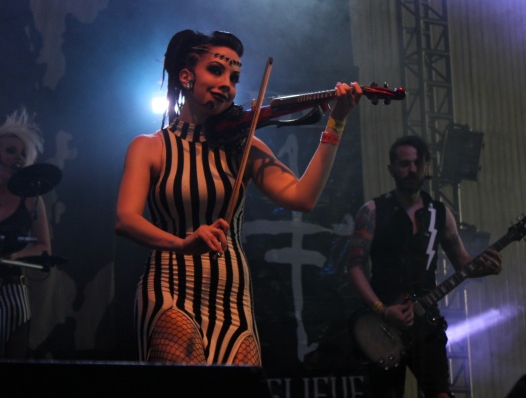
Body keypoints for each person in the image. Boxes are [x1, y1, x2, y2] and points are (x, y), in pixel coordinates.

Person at [115, 29, 362, 365]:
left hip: (232, 300)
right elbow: (125, 220)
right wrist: (182, 244)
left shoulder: (243, 148)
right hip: (171, 287)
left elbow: (301, 198)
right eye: (215, 71)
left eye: (233, 78)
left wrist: (336, 123)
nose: (227, 85)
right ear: (186, 76)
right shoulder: (149, 147)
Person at [346, 135, 502, 398]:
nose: (412, 169)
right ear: (391, 169)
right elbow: (354, 268)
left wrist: (488, 267)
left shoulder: (440, 213)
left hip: (426, 324)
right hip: (382, 327)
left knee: (440, 393)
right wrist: (382, 310)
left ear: (427, 166)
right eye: (405, 164)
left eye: (418, 163)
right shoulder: (372, 211)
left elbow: (463, 263)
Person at [0, 109, 51, 359]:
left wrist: (13, 256)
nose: (17, 158)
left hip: (13, 292)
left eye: (22, 154)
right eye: (10, 151)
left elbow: (44, 247)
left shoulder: (31, 200)